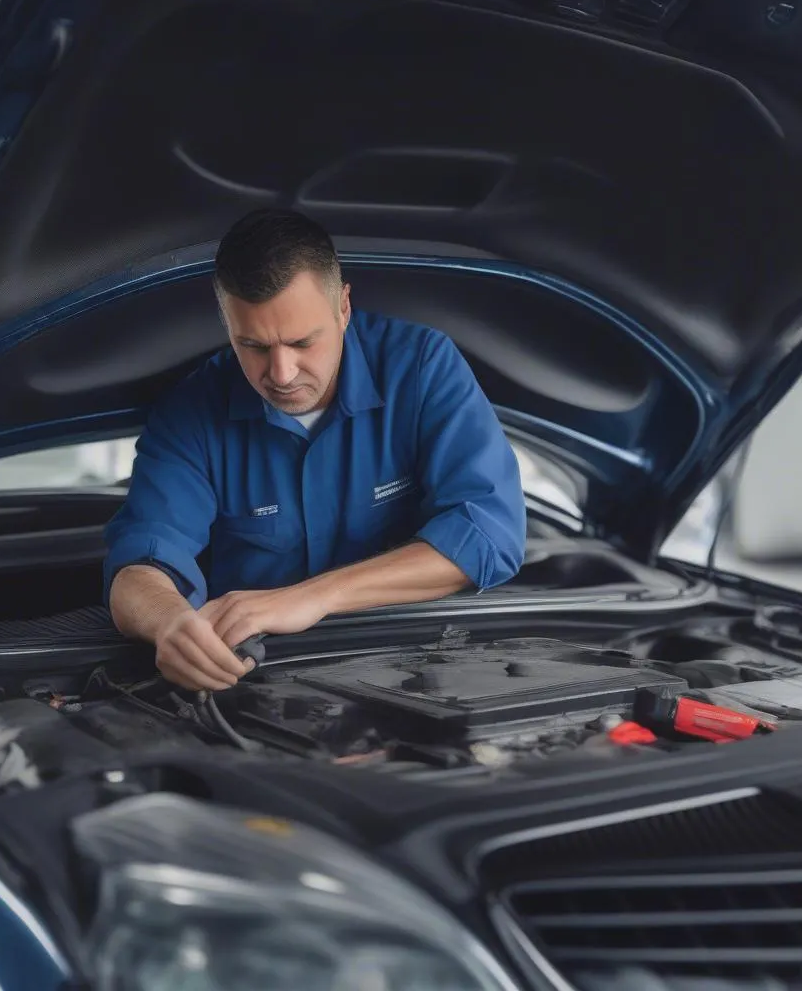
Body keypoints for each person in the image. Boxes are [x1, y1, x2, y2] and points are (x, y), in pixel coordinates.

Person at [105, 209, 526, 691]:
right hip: (252, 686)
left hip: (418, 673)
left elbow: (488, 534)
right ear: (227, 326)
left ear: (343, 307)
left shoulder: (423, 369)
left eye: (302, 342)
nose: (281, 374)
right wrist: (169, 625)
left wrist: (313, 597)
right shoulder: (191, 413)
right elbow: (140, 565)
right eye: (254, 346)